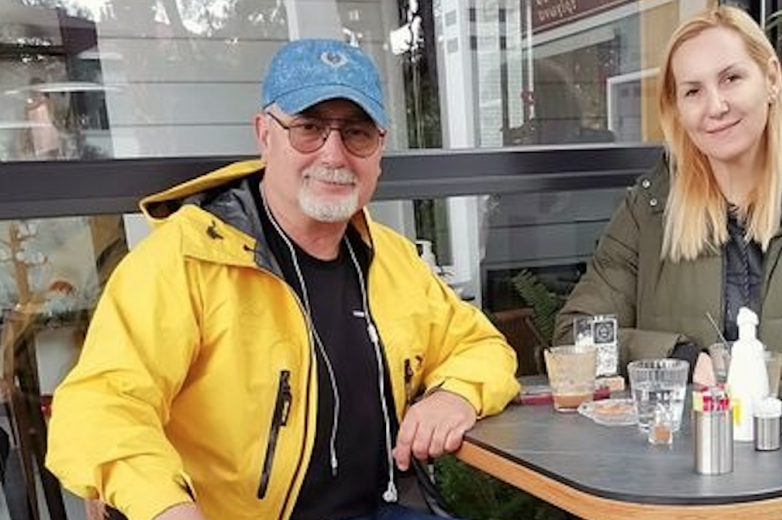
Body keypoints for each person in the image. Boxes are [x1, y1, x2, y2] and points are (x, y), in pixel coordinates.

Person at [46, 39, 520, 520]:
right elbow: (100, 405)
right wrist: (164, 507)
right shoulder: (183, 260)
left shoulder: (392, 258)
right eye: (308, 128)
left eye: (356, 133)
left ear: (379, 149)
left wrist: (455, 394)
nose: (334, 155)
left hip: (383, 509)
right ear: (264, 134)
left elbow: (481, 346)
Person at [552, 6, 782, 520]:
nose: (715, 105)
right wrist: (681, 361)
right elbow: (576, 339)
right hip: (684, 482)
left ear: (770, 78)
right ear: (676, 109)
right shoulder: (650, 208)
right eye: (693, 91)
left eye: (731, 78)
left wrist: (751, 405)